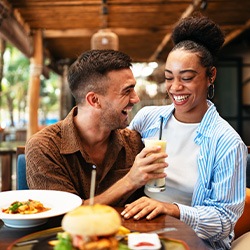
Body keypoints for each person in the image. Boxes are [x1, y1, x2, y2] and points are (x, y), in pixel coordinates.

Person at [121, 13, 248, 249]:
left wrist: (172, 209)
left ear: (211, 76)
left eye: (187, 78)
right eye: (169, 78)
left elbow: (224, 222)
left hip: (197, 241)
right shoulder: (148, 118)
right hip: (144, 230)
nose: (176, 88)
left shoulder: (227, 142)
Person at [25, 49, 167, 207]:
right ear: (94, 100)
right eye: (127, 91)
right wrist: (129, 181)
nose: (136, 98)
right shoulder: (44, 147)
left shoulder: (134, 142)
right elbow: (62, 213)